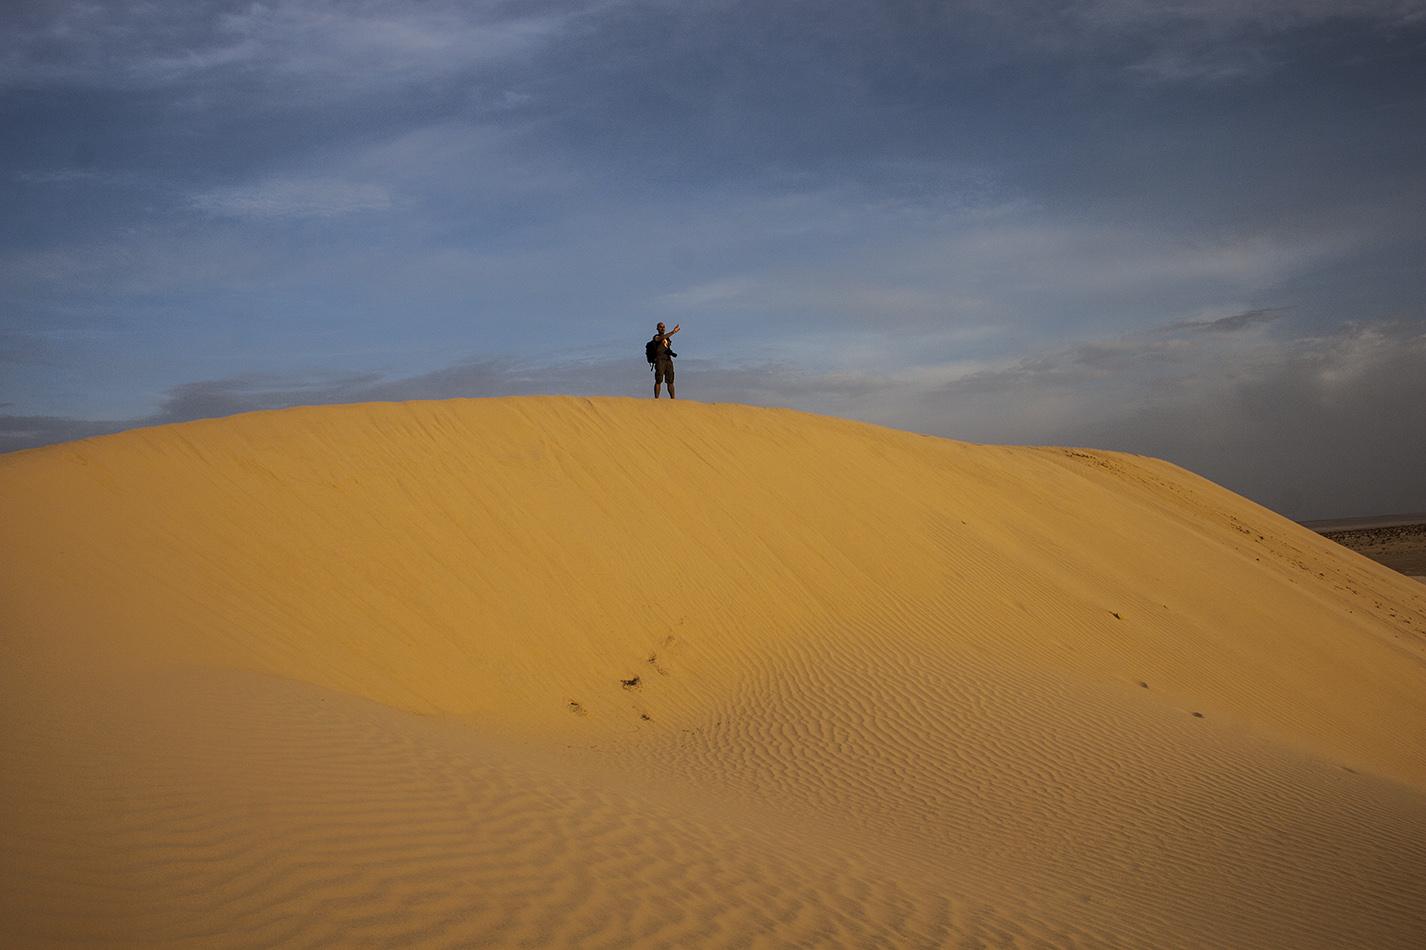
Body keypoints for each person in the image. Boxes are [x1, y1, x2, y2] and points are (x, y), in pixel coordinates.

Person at [651, 321, 680, 399]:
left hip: (668, 360)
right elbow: (660, 338)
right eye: (660, 327)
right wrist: (673, 332)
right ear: (657, 328)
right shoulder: (656, 337)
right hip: (660, 360)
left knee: (670, 380)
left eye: (663, 327)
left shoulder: (667, 338)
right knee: (658, 380)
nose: (662, 328)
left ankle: (673, 399)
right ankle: (656, 399)